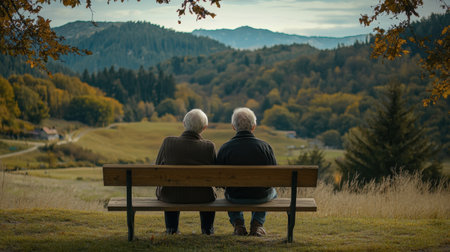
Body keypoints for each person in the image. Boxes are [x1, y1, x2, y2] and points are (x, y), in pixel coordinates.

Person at [216, 107, 277, 236]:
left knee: (228, 192)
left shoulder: (225, 148)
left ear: (233, 127)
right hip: (260, 196)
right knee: (273, 192)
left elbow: (219, 182)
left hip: (235, 196)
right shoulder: (265, 147)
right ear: (253, 127)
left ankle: (238, 225)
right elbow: (273, 178)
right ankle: (257, 224)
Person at [155, 109, 216, 235]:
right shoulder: (209, 147)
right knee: (207, 192)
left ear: (184, 123)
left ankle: (171, 229)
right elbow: (215, 176)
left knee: (170, 189)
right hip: (203, 197)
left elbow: (157, 167)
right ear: (204, 128)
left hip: (172, 196)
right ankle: (207, 229)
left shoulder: (168, 142)